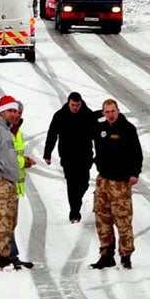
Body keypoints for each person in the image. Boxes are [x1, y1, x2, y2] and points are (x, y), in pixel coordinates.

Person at [88, 97, 143, 270]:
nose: (110, 114)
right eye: (107, 112)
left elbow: (137, 153)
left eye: (113, 111)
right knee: (102, 218)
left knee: (122, 219)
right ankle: (106, 254)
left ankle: (126, 256)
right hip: (103, 179)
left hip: (120, 181)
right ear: (103, 113)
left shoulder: (128, 129)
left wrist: (135, 173)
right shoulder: (100, 128)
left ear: (118, 111)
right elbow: (85, 121)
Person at [0, 96, 33, 271]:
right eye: (10, 111)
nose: (14, 114)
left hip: (10, 182)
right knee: (2, 220)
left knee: (10, 220)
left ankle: (2, 255)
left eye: (15, 111)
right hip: (0, 183)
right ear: (2, 112)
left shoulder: (7, 132)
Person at [43, 91, 98, 223]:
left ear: (81, 103)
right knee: (72, 184)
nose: (75, 107)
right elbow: (52, 134)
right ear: (68, 103)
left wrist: (100, 154)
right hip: (67, 157)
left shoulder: (88, 115)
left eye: (77, 105)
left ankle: (76, 202)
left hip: (85, 156)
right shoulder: (60, 115)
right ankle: (74, 213)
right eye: (73, 105)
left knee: (83, 183)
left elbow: (96, 136)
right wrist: (47, 153)